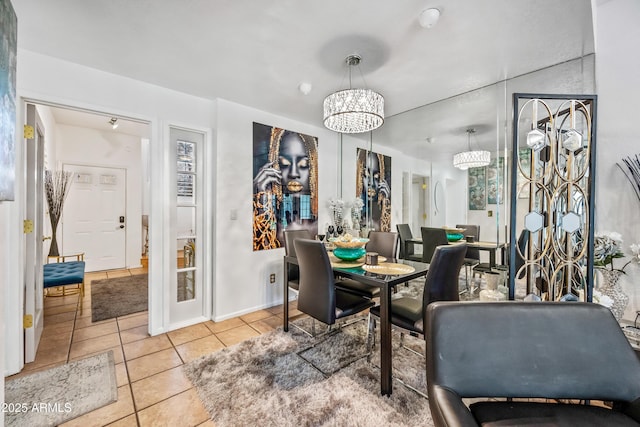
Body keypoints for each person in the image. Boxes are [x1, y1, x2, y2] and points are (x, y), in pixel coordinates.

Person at [253, 125, 318, 250]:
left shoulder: (317, 227)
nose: (294, 173)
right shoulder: (273, 226)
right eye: (285, 164)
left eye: (303, 164)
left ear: (313, 170)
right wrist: (260, 196)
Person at [356, 149, 391, 232]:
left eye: (376, 176)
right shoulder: (357, 211)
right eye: (366, 175)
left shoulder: (379, 218)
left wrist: (386, 200)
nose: (371, 183)